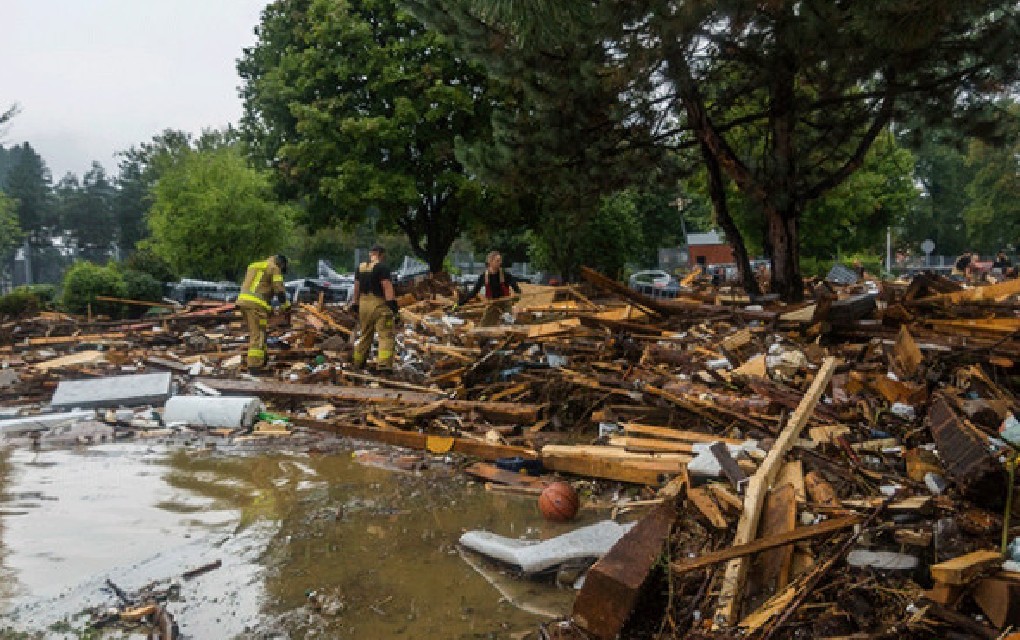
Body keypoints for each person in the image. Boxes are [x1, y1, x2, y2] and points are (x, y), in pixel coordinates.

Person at [237, 254, 290, 371]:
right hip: (256, 305)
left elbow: (259, 287)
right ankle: (254, 366)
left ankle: (262, 360)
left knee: (258, 331)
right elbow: (279, 290)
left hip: (243, 302)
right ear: (281, 264)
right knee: (258, 334)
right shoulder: (274, 268)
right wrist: (285, 306)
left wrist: (269, 308)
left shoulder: (253, 266)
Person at [350, 245, 399, 371]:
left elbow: (356, 287)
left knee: (365, 335)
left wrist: (355, 304)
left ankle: (357, 362)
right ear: (381, 254)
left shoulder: (360, 268)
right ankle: (383, 365)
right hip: (379, 305)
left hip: (363, 305)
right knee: (385, 335)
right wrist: (393, 305)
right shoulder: (382, 267)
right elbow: (387, 286)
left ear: (371, 254)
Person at [458, 251, 522, 326]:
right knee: (483, 326)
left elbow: (517, 289)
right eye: (497, 261)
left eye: (500, 260)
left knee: (508, 325)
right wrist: (460, 303)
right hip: (492, 303)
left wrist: (515, 299)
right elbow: (473, 292)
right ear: (490, 261)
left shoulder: (505, 275)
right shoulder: (484, 276)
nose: (500, 263)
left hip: (505, 304)